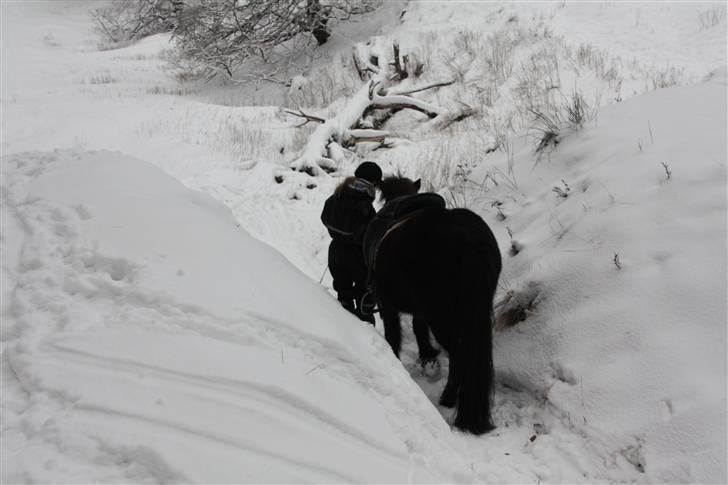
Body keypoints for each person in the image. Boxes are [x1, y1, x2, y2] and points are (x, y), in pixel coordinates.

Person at [321, 161, 382, 324]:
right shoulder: (366, 206)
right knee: (364, 302)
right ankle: (366, 342)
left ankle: (344, 332)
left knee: (343, 297)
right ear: (373, 182)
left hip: (335, 252)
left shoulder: (338, 195)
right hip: (358, 257)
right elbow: (372, 234)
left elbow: (324, 217)